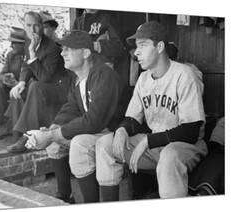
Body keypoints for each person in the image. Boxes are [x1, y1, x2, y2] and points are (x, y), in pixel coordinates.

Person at [95, 21, 208, 201]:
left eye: (142, 45)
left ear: (160, 46)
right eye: (136, 46)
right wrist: (123, 129)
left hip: (186, 146)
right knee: (105, 144)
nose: (136, 52)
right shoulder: (143, 78)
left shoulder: (185, 75)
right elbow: (133, 119)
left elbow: (191, 131)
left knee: (169, 156)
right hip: (156, 144)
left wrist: (149, 140)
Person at [24, 30, 127, 203]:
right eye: (62, 49)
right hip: (99, 130)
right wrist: (53, 128)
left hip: (116, 131)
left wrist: (51, 135)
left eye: (68, 49)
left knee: (78, 143)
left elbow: (94, 121)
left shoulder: (104, 74)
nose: (62, 53)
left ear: (86, 53)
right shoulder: (78, 77)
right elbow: (71, 107)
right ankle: (65, 197)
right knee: (54, 144)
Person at [6, 11, 75, 153]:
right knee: (20, 90)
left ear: (41, 27)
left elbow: (44, 77)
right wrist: (21, 83)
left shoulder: (52, 48)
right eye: (29, 25)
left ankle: (26, 136)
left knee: (36, 85)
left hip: (60, 89)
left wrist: (32, 54)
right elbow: (27, 65)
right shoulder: (28, 40)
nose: (32, 30)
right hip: (45, 87)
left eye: (36, 26)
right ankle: (17, 135)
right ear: (24, 26)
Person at [73, 9, 129, 85]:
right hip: (83, 70)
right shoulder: (78, 21)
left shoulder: (108, 18)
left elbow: (119, 47)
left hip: (103, 68)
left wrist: (96, 45)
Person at [0, 27, 25, 139]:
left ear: (23, 44)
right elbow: (2, 73)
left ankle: (9, 127)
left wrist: (18, 84)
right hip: (10, 88)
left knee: (16, 93)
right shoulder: (11, 55)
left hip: (25, 89)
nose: (11, 46)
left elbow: (36, 80)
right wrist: (4, 78)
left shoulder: (32, 56)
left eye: (14, 43)